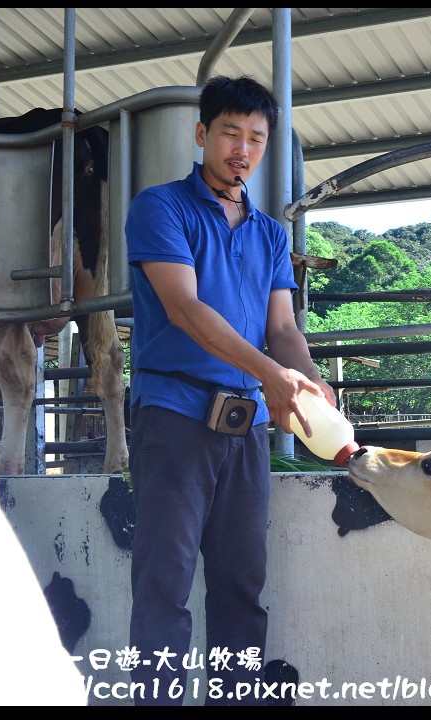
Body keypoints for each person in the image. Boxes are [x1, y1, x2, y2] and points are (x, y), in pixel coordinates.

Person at [125, 74, 335, 706]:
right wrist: (273, 375)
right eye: (230, 133)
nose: (241, 149)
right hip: (174, 415)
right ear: (202, 134)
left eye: (256, 138)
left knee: (241, 585)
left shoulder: (271, 234)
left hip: (245, 425)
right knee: (164, 583)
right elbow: (185, 309)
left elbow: (282, 328)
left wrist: (312, 382)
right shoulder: (160, 208)